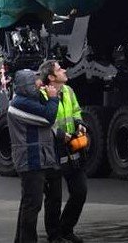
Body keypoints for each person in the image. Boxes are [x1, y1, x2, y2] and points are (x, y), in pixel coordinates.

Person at [9, 69, 61, 243]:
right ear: (27, 85)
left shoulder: (27, 100)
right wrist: (53, 98)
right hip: (31, 159)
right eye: (36, 80)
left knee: (29, 202)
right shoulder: (22, 103)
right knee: (33, 203)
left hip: (36, 158)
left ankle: (21, 239)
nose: (40, 83)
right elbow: (48, 118)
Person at [39, 60, 86, 243]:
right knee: (54, 198)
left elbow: (76, 111)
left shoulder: (68, 91)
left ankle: (66, 229)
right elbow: (42, 121)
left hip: (72, 146)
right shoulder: (42, 95)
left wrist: (80, 124)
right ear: (51, 77)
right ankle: (54, 236)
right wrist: (59, 134)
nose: (64, 70)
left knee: (80, 192)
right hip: (53, 150)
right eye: (59, 69)